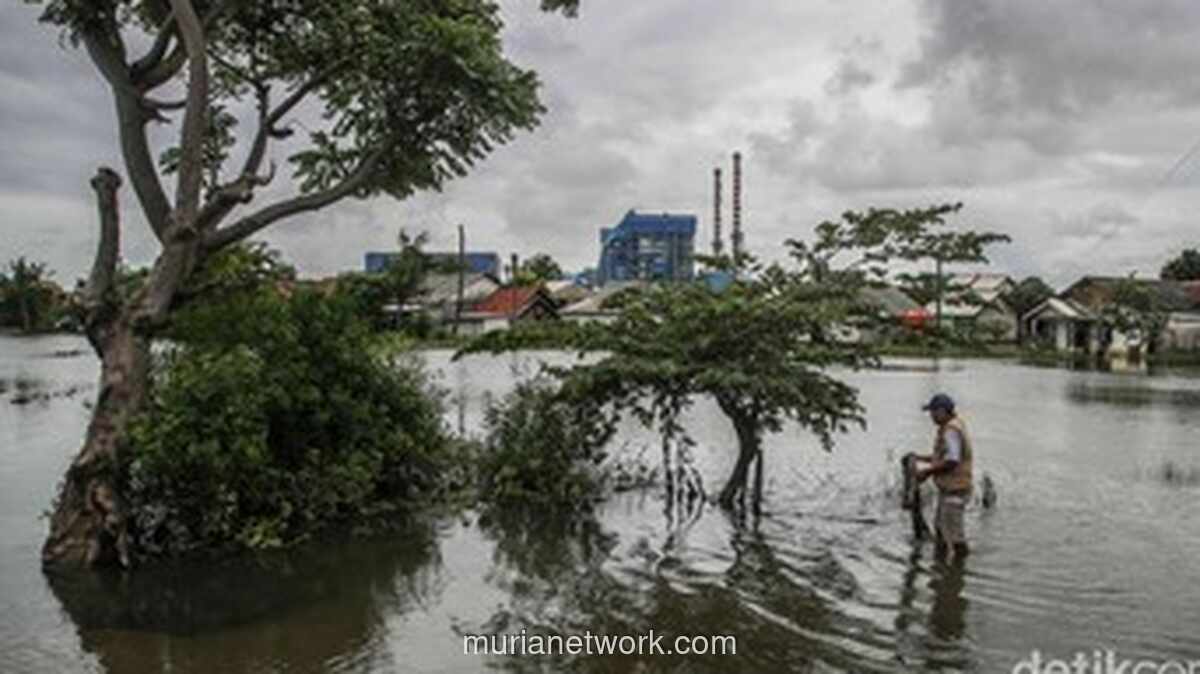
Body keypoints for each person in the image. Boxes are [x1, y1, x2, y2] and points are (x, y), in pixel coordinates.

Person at [912, 393, 973, 559]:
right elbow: (944, 457)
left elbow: (952, 461)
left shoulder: (951, 430)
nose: (931, 416)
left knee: (954, 537)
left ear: (941, 411)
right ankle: (942, 569)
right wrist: (920, 458)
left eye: (932, 412)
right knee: (941, 530)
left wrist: (926, 472)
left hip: (955, 491)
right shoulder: (954, 425)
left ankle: (959, 571)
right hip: (952, 490)